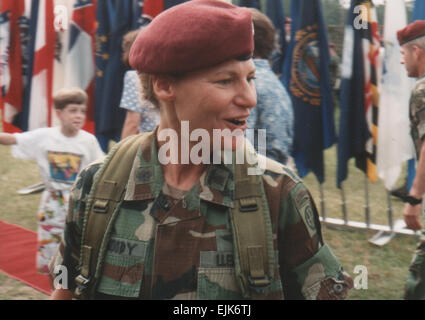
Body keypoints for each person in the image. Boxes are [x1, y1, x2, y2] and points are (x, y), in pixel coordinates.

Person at [50, 0, 352, 300]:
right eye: (225, 81)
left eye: (250, 78)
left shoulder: (277, 193)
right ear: (165, 86)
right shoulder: (98, 185)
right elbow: (65, 289)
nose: (250, 99)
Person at [0, 88, 104, 274]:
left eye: (82, 111)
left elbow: (102, 168)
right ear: (59, 113)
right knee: (53, 257)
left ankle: (71, 287)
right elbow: (13, 139)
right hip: (52, 206)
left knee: (76, 254)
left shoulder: (89, 141)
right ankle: (56, 288)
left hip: (79, 204)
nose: (78, 116)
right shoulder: (45, 137)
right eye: (73, 111)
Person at [397, 20, 425, 300]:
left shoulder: (422, 90)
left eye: (403, 53)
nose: (402, 60)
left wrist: (414, 197)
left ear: (417, 51)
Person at [247, 8, 293, 166]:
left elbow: (239, 152)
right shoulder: (273, 83)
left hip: (252, 182)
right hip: (271, 180)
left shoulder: (248, 84)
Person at [120, 29, 160, 139]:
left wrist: (121, 153)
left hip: (152, 142)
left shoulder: (134, 77)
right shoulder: (163, 75)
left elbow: (132, 122)